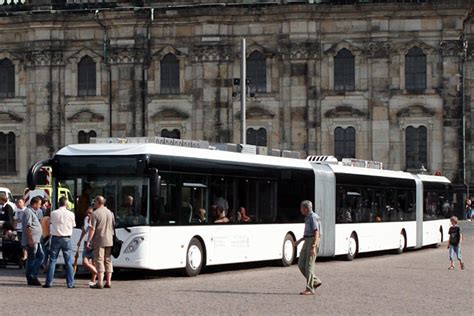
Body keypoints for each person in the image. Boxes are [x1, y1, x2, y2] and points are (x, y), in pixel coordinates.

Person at [43, 197, 76, 288]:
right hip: (66, 238)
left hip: (55, 238)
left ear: (59, 203)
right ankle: (70, 283)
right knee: (68, 261)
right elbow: (73, 225)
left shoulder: (53, 213)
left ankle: (49, 282)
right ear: (66, 203)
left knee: (52, 260)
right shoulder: (71, 214)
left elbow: (51, 223)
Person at [294, 200, 322, 295]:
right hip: (307, 240)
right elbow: (308, 233)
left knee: (309, 266)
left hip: (313, 241)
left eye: (301, 208)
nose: (300, 210)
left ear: (305, 208)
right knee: (301, 264)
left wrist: (314, 247)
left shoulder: (313, 217)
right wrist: (299, 241)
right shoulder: (307, 217)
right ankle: (315, 281)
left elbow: (316, 233)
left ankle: (310, 288)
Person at [86, 196, 115, 289]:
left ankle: (100, 282)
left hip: (99, 240)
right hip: (109, 239)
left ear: (98, 202)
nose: (94, 203)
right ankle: (109, 282)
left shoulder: (95, 214)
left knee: (99, 260)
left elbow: (92, 229)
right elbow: (113, 225)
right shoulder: (110, 213)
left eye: (95, 201)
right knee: (108, 260)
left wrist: (89, 240)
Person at [21, 196, 44, 286]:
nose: (40, 206)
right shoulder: (28, 212)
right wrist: (30, 239)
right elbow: (28, 226)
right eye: (39, 204)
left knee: (39, 256)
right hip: (32, 240)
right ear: (34, 204)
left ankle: (32, 276)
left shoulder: (32, 212)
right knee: (34, 258)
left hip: (36, 240)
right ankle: (31, 276)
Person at [77, 207, 97, 286]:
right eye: (87, 213)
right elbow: (84, 231)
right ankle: (97, 273)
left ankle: (93, 279)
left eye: (90, 213)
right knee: (85, 262)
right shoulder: (86, 219)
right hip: (86, 242)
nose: (88, 215)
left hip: (94, 242)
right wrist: (80, 240)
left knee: (94, 262)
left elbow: (93, 230)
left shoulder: (95, 219)